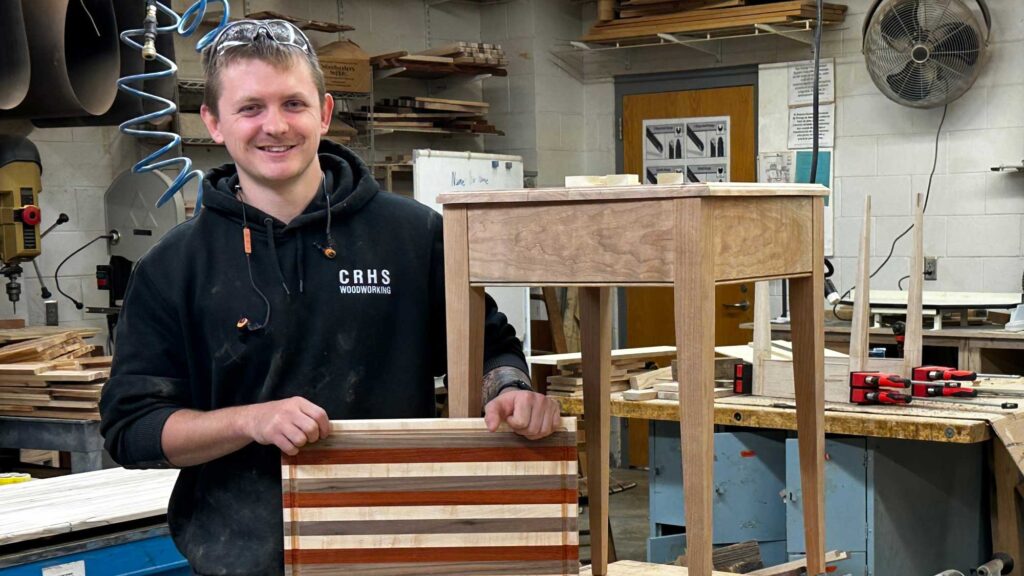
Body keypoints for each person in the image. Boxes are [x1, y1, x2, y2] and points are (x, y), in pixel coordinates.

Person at [99, 19, 561, 576]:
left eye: (293, 104)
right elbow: (133, 430)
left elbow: (492, 350)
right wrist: (249, 421)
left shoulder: (416, 236)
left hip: (403, 551)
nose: (275, 126)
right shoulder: (174, 267)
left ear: (323, 112)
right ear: (214, 123)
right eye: (250, 108)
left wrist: (509, 390)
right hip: (248, 562)